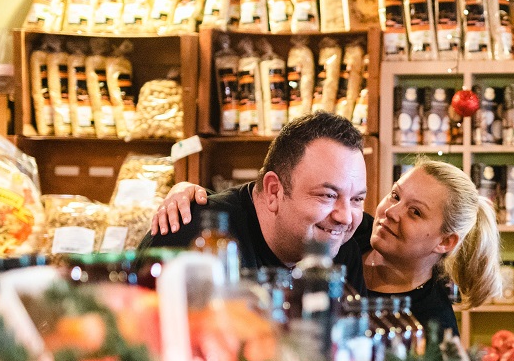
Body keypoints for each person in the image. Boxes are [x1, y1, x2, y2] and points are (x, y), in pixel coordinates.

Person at [150, 156, 500, 336]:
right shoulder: (351, 231)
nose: (390, 212)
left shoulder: (432, 323)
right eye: (395, 195)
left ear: (445, 241)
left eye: (415, 212)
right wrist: (194, 195)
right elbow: (276, 202)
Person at [140, 112, 367, 269]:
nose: (345, 216)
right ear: (274, 191)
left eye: (357, 199)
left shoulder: (342, 246)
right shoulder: (193, 238)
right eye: (328, 196)